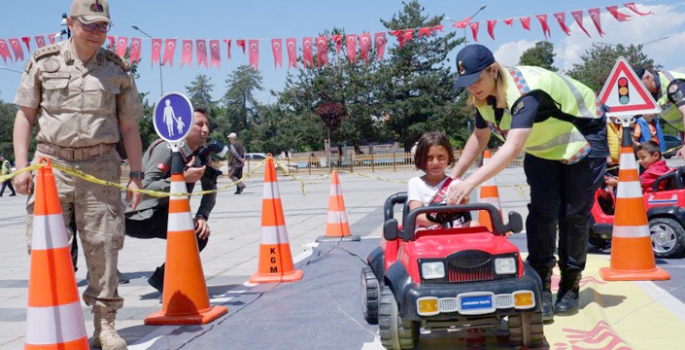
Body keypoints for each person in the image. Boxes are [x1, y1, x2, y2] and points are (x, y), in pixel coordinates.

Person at [12, 1, 143, 349]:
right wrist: (20, 166)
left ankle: (105, 326)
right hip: (50, 167)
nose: (97, 32)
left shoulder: (117, 70)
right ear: (71, 23)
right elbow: (25, 116)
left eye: (103, 26)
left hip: (100, 167)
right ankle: (55, 321)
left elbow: (129, 127)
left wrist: (136, 175)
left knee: (105, 248)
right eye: (90, 24)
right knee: (46, 249)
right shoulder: (43, 62)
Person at [446, 44, 608, 322]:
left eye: (476, 80)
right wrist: (454, 177)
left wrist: (470, 183)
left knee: (573, 215)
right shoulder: (484, 98)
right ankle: (541, 283)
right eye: (467, 84)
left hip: (582, 138)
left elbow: (511, 148)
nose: (472, 88)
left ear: (493, 70)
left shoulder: (525, 92)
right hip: (544, 148)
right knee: (542, 213)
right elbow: (479, 138)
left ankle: (570, 284)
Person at [125, 107, 217, 294]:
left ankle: (163, 279)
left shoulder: (200, 154)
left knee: (199, 233)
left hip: (161, 213)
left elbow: (211, 189)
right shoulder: (167, 147)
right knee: (192, 235)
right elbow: (146, 187)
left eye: (207, 125)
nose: (205, 130)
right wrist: (182, 177)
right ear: (183, 126)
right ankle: (165, 281)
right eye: (199, 124)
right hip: (137, 216)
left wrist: (202, 216)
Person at [408, 131, 469, 228]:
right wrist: (440, 222)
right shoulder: (415, 183)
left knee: (475, 224)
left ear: (449, 157)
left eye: (441, 157)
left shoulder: (456, 184)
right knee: (421, 233)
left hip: (453, 228)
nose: (435, 163)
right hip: (427, 229)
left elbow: (463, 209)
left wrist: (463, 199)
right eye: (429, 158)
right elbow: (417, 215)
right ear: (421, 159)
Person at [631, 66, 685, 159]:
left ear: (648, 78)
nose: (638, 91)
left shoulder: (673, 84)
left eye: (639, 86)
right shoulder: (651, 93)